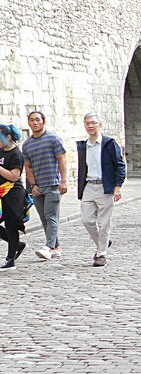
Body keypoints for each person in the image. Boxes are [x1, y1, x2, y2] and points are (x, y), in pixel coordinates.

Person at [76, 113, 126, 267]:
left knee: (104, 223)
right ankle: (103, 242)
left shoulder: (109, 144)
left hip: (105, 187)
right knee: (87, 220)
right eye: (87, 123)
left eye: (93, 123)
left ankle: (101, 253)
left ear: (100, 125)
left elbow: (120, 165)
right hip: (89, 185)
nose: (90, 126)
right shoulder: (83, 146)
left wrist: (117, 187)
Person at [22, 110, 67, 261]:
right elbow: (27, 167)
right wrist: (33, 185)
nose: (35, 123)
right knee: (44, 219)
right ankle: (56, 247)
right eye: (32, 120)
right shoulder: (27, 144)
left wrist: (64, 181)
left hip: (53, 184)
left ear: (43, 121)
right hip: (37, 187)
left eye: (37, 120)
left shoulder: (53, 138)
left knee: (51, 216)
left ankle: (48, 247)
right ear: (28, 123)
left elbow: (62, 159)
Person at [0, 124, 28, 271]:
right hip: (0, 192)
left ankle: (10, 260)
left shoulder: (16, 154)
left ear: (8, 137)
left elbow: (14, 176)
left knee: (11, 225)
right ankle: (18, 245)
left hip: (13, 193)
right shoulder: (0, 151)